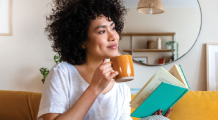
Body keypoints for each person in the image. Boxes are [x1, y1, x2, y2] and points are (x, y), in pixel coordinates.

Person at [37, 0, 172, 120]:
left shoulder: (121, 88)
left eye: (113, 28)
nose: (113, 36)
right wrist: (94, 88)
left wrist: (154, 119)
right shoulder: (62, 73)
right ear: (81, 40)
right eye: (102, 31)